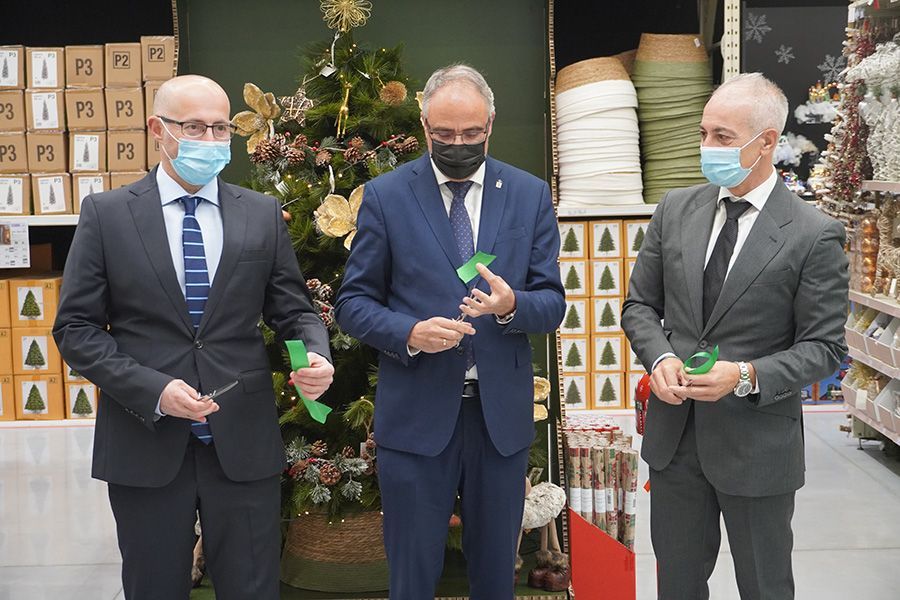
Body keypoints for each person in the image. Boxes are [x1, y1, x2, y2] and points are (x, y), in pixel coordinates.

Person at [53, 75, 334, 600]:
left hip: (242, 444)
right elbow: (76, 329)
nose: (210, 139)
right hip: (145, 442)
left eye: (221, 128)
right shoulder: (108, 215)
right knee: (153, 587)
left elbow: (293, 313)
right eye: (195, 127)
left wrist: (313, 356)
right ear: (158, 130)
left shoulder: (261, 213)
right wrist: (154, 390)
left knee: (252, 588)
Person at [335, 64, 565, 599]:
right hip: (415, 418)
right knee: (412, 576)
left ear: (491, 125)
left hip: (499, 421)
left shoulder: (528, 194)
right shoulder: (386, 196)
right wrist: (409, 332)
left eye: (471, 133)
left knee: (496, 577)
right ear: (424, 126)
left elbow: (552, 303)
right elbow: (351, 303)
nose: (458, 144)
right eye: (444, 134)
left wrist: (511, 306)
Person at [622, 72, 849, 600]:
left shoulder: (812, 234)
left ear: (766, 142)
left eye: (722, 137)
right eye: (703, 133)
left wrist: (745, 375)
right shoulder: (676, 210)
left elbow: (825, 347)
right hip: (676, 440)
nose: (707, 147)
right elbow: (640, 306)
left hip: (757, 446)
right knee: (677, 585)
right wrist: (660, 359)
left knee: (765, 585)